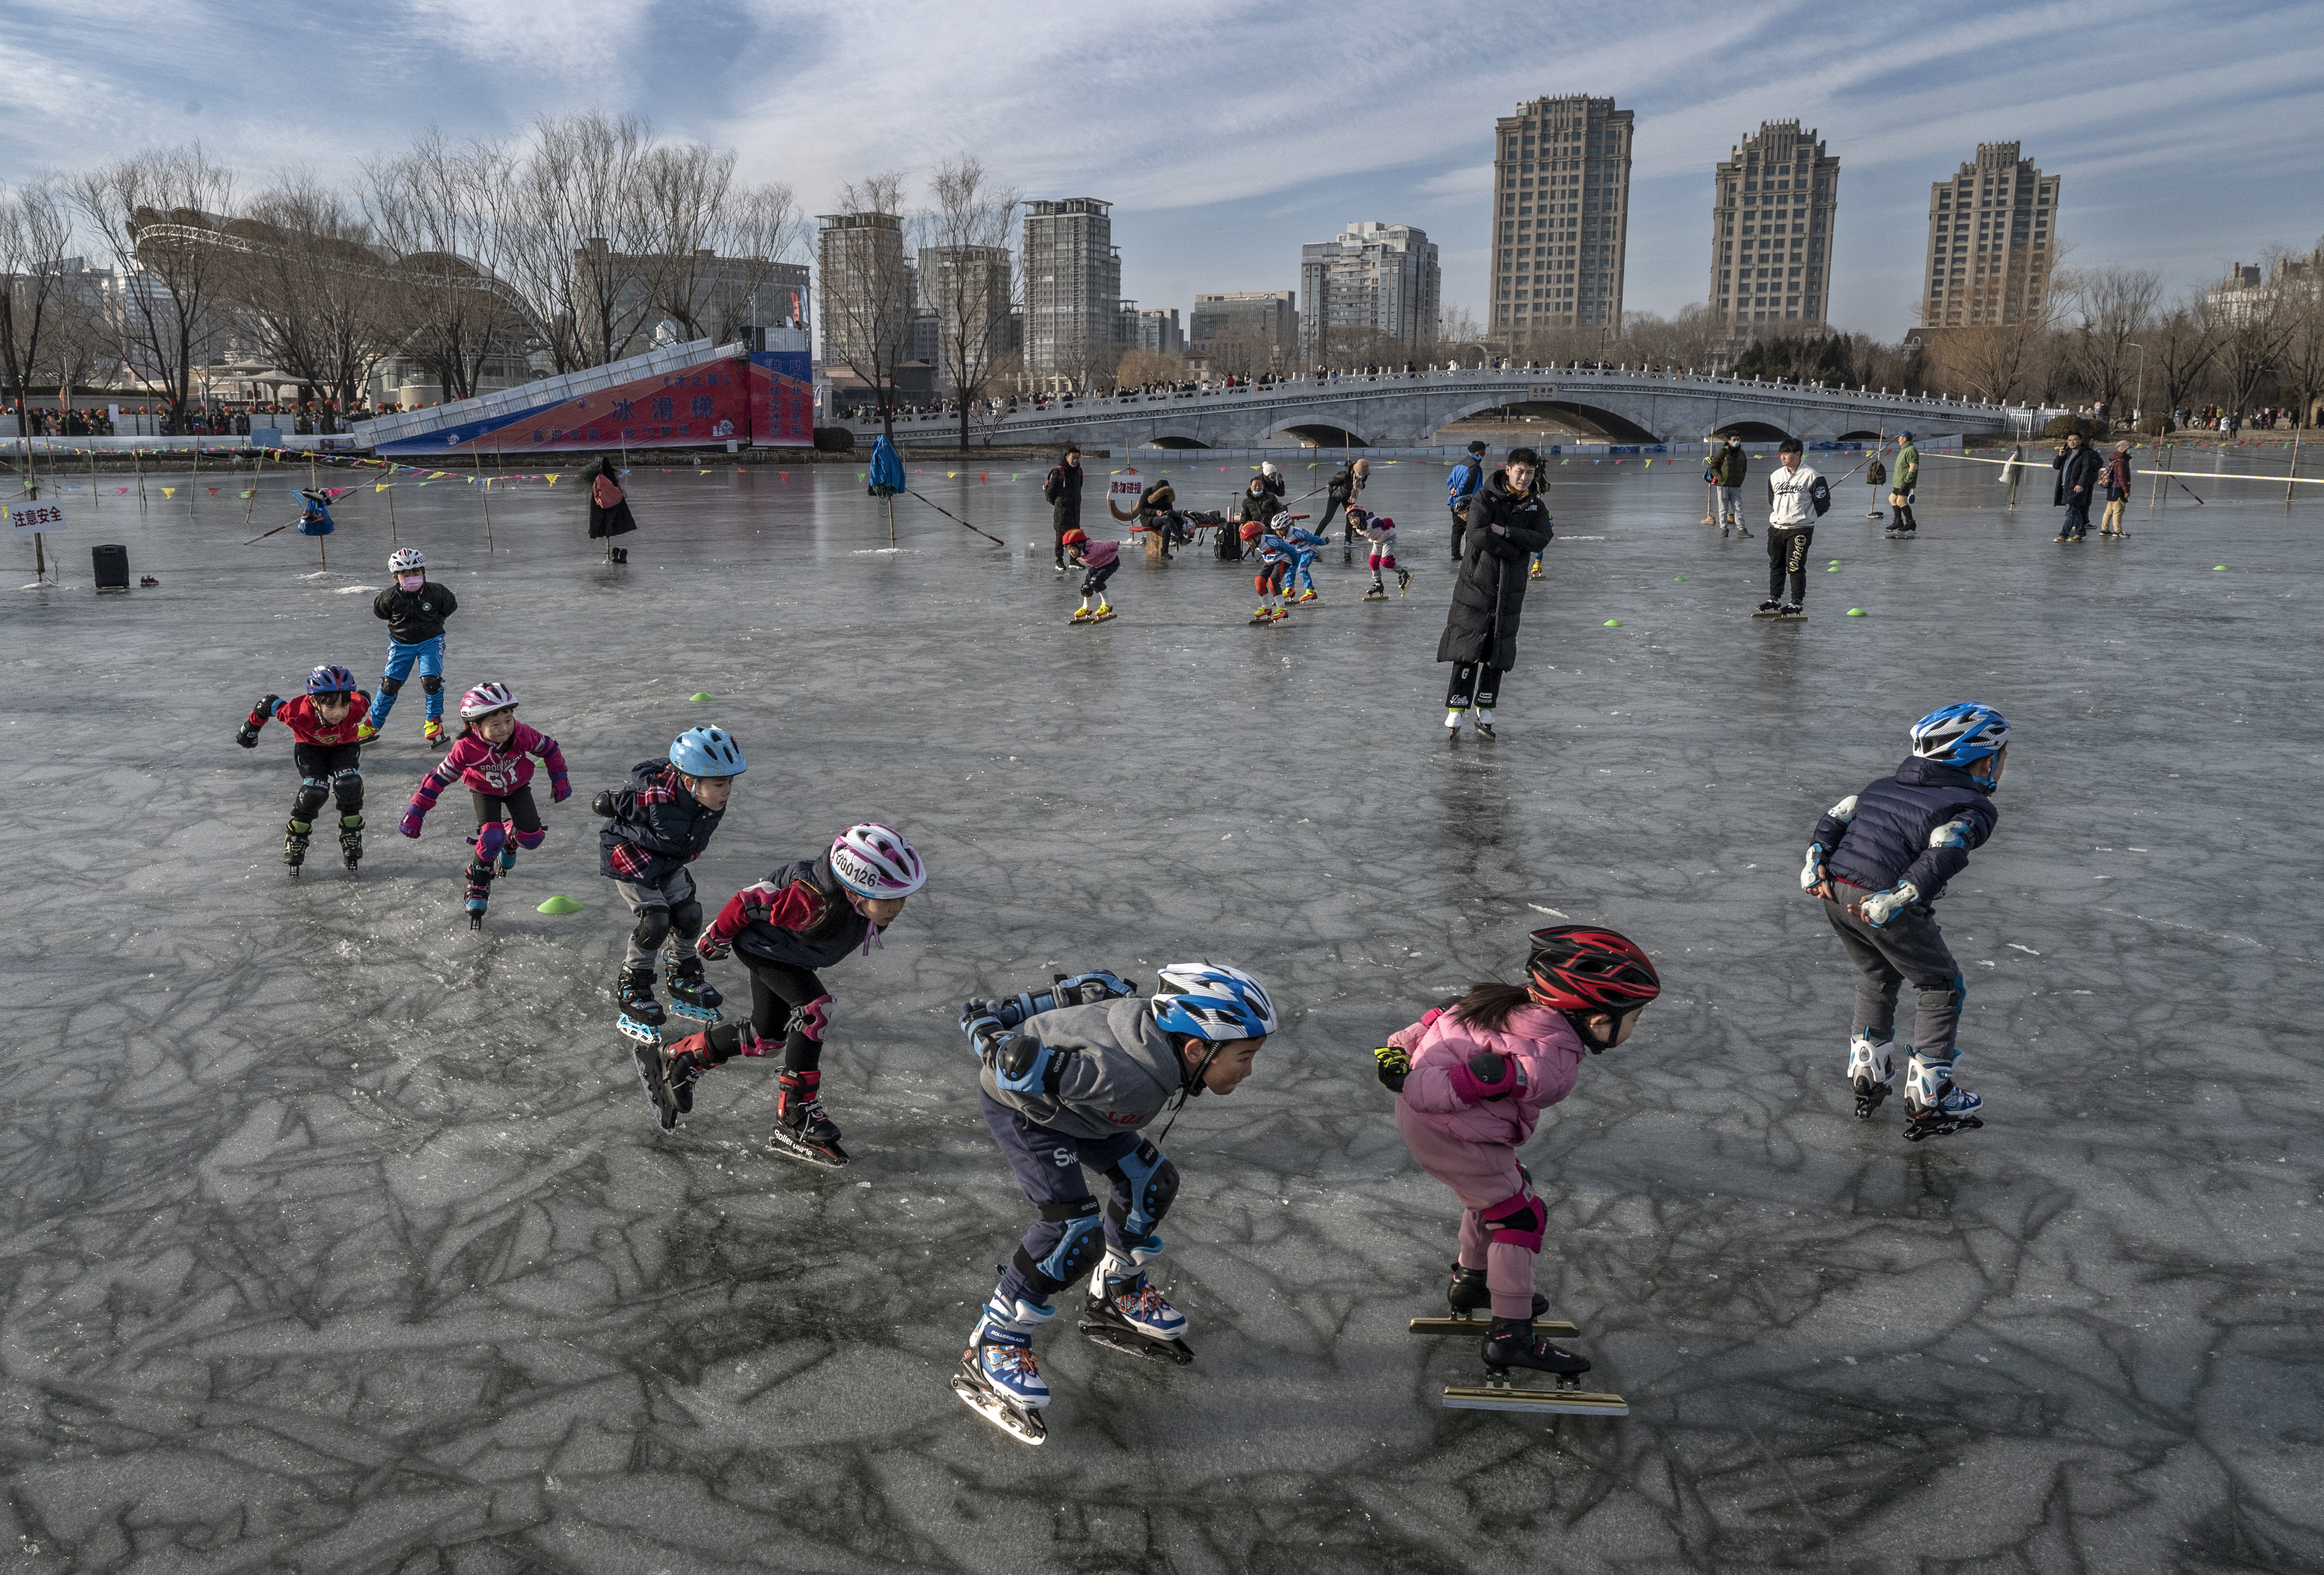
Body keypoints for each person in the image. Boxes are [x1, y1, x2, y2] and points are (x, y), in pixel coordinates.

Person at [951, 964, 1276, 1443]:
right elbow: (1013, 1070)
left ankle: (1116, 1291)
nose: (1249, 1071)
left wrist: (1022, 1007)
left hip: (1087, 1111)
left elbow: (1089, 994)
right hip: (1028, 1111)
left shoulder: (1153, 1045)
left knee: (1151, 1180)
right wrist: (989, 1030)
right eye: (1244, 1057)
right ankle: (994, 1340)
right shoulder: (1121, 1077)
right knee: (1073, 1231)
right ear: (1195, 1050)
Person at [1373, 927, 1660, 1385]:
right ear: (1597, 1019)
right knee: (1520, 1217)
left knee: (1498, 1193)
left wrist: (1396, 1052)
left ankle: (1473, 1281)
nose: (1634, 1026)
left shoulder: (1505, 1005)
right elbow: (1465, 1082)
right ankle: (1511, 1331)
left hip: (1433, 1122)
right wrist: (1410, 1081)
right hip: (1449, 1130)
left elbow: (1436, 1016)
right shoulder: (1551, 1061)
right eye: (1634, 1016)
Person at [661, 824, 928, 1165]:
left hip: (788, 953)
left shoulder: (855, 903)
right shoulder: (810, 902)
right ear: (856, 889)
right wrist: (718, 935)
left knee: (766, 1037)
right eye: (889, 898)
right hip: (764, 948)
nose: (898, 907)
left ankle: (683, 1057)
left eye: (903, 896)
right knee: (817, 1010)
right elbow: (753, 899)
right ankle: (796, 1116)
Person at [1801, 703, 2007, 1142]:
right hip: (1882, 902)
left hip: (1836, 892)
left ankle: (1867, 1068)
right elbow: (1946, 849)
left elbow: (1837, 816)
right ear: (1985, 759)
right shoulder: (1971, 805)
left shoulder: (1880, 786)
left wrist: (1815, 859)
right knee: (1940, 985)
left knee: (1877, 973)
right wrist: (1900, 896)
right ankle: (1931, 1094)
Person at [596, 727, 744, 1049]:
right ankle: (633, 984)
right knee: (657, 920)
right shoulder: (655, 800)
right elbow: (628, 798)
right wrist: (610, 804)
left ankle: (682, 974)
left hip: (667, 860)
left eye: (731, 782)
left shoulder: (708, 801)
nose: (727, 791)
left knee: (690, 915)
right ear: (691, 782)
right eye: (720, 784)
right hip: (632, 857)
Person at [398, 682, 571, 929]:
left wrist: (560, 778)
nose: (505, 729)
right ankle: (478, 878)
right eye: (496, 724)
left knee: (533, 839)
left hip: (518, 787)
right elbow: (438, 779)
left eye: (508, 720)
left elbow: (550, 749)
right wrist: (416, 812)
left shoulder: (521, 734)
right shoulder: (465, 748)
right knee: (491, 838)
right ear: (475, 725)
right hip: (485, 792)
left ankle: (511, 838)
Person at [1436, 446, 1552, 739]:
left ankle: (1486, 705)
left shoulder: (1534, 505)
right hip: (1478, 582)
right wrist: (1515, 550)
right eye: (1520, 471)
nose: (1525, 477)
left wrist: (1509, 532)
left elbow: (1543, 536)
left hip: (1511, 587)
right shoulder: (1484, 497)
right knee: (1468, 644)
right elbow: (1478, 533)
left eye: (1530, 472)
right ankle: (1456, 707)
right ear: (1509, 469)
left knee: (1497, 647)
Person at [237, 662, 371, 874]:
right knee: (314, 792)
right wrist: (250, 729)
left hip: (344, 747)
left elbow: (364, 697)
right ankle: (297, 835)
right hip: (310, 750)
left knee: (350, 784)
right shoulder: (297, 713)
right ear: (315, 702)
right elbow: (267, 704)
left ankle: (351, 830)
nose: (338, 714)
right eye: (331, 707)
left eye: (343, 706)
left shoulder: (356, 707)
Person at [359, 548, 457, 746]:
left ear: (423, 572)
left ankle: (433, 721)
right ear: (396, 577)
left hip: (431, 641)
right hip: (401, 645)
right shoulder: (388, 598)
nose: (411, 577)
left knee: (431, 681)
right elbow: (382, 613)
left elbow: (449, 607)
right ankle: (372, 724)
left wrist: (434, 625)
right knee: (390, 685)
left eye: (415, 572)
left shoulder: (437, 592)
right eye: (405, 574)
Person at [1757, 438, 1829, 617]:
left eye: (1787, 454)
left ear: (1798, 454)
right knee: (1776, 565)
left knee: (1795, 566)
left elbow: (1823, 504)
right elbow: (1772, 500)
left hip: (1800, 529)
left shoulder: (1813, 476)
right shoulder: (1775, 476)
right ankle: (1775, 598)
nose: (1782, 457)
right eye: (1781, 453)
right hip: (1777, 528)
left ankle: (1797, 601)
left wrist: (1805, 517)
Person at [1244, 517, 1296, 623]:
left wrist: (1296, 563)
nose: (1248, 544)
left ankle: (1282, 609)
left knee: (1273, 581)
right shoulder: (1257, 543)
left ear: (1258, 537)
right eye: (1246, 541)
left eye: (1249, 540)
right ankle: (1267, 607)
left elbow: (1290, 549)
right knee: (1259, 581)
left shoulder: (1272, 542)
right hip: (1270, 560)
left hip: (1283, 559)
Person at [1062, 528, 1119, 623]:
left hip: (1110, 563)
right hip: (1096, 565)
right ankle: (1087, 608)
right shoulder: (1080, 552)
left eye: (1072, 548)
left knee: (1096, 582)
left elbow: (1111, 545)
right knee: (1086, 588)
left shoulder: (1095, 550)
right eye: (1068, 550)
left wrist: (1116, 543)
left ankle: (1108, 605)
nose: (1070, 552)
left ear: (1080, 545)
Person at [2052, 431, 2100, 542]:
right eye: (2069, 440)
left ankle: (2063, 535)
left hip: (2076, 487)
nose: (2072, 442)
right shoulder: (2067, 453)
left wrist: (2081, 484)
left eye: (2074, 440)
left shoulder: (2086, 454)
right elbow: (2056, 466)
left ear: (2080, 441)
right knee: (2074, 511)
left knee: (2070, 511)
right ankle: (2081, 533)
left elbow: (2086, 470)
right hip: (2066, 486)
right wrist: (2060, 456)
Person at [1043, 447, 1085, 570]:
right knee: (1061, 538)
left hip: (1075, 510)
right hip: (1062, 511)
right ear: (1067, 458)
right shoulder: (1059, 472)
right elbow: (1051, 492)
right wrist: (1060, 502)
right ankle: (1059, 562)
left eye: (1078, 458)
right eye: (1073, 458)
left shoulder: (1079, 472)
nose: (1076, 461)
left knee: (1075, 537)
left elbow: (1080, 487)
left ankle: (1074, 561)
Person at [1353, 506, 1408, 600]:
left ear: (1361, 516)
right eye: (1350, 519)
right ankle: (1378, 584)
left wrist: (1391, 526)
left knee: (1386, 562)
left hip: (1389, 538)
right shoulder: (1358, 529)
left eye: (1355, 518)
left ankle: (1403, 573)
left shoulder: (1373, 523)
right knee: (1373, 561)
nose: (1353, 521)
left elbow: (1388, 521)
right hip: (1378, 540)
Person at [588, 459, 637, 564]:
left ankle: (616, 555)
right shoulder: (612, 480)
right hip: (614, 505)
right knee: (609, 524)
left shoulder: (599, 478)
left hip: (601, 505)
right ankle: (618, 555)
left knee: (606, 524)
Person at [1321, 457, 1369, 560]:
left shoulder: (1364, 478)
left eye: (1363, 475)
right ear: (1355, 470)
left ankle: (1348, 540)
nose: (1361, 477)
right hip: (1336, 497)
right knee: (1328, 517)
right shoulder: (1344, 475)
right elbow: (1331, 483)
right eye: (1359, 474)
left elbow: (1362, 486)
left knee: (1350, 518)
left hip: (1349, 499)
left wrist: (1359, 485)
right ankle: (1315, 537)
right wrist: (1338, 490)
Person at [1448, 441, 1488, 558]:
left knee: (1457, 529)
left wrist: (1452, 489)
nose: (1485, 453)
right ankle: (1469, 555)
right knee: (1470, 529)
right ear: (1477, 451)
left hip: (1454, 503)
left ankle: (1455, 554)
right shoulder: (1474, 466)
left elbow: (1449, 480)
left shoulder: (1461, 463)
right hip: (1467, 504)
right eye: (1483, 450)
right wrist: (1459, 492)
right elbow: (1466, 484)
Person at [1709, 435, 1751, 537]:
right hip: (1723, 486)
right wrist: (1721, 478)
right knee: (1723, 508)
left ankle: (1741, 529)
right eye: (1734, 440)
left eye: (1738, 439)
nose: (1736, 442)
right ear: (1729, 441)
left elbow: (1744, 468)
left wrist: (1741, 479)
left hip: (1736, 485)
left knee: (1738, 507)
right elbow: (1713, 467)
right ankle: (1724, 528)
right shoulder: (1723, 452)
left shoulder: (1742, 453)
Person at [1136, 475, 1185, 557]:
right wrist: (1155, 512)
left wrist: (1168, 512)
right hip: (1148, 519)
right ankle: (1180, 537)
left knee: (1166, 527)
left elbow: (1170, 507)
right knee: (1167, 519)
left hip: (1162, 519)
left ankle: (1164, 551)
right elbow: (1141, 509)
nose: (1164, 495)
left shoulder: (1166, 496)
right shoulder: (1148, 492)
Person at [1886, 431, 1921, 538]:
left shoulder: (1911, 450)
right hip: (1898, 482)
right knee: (1893, 499)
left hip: (1904, 482)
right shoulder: (1904, 450)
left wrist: (1907, 481)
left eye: (1899, 438)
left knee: (1901, 501)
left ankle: (1911, 522)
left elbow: (1913, 467)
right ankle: (1898, 521)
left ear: (1905, 439)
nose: (1898, 440)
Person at [2098, 440, 2134, 540]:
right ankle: (2118, 531)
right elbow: (2121, 477)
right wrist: (2126, 490)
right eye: (2129, 449)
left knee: (2109, 511)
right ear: (2125, 449)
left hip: (2112, 489)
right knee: (2118, 511)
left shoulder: (2116, 460)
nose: (2131, 450)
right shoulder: (2122, 462)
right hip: (2118, 489)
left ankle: (2104, 530)